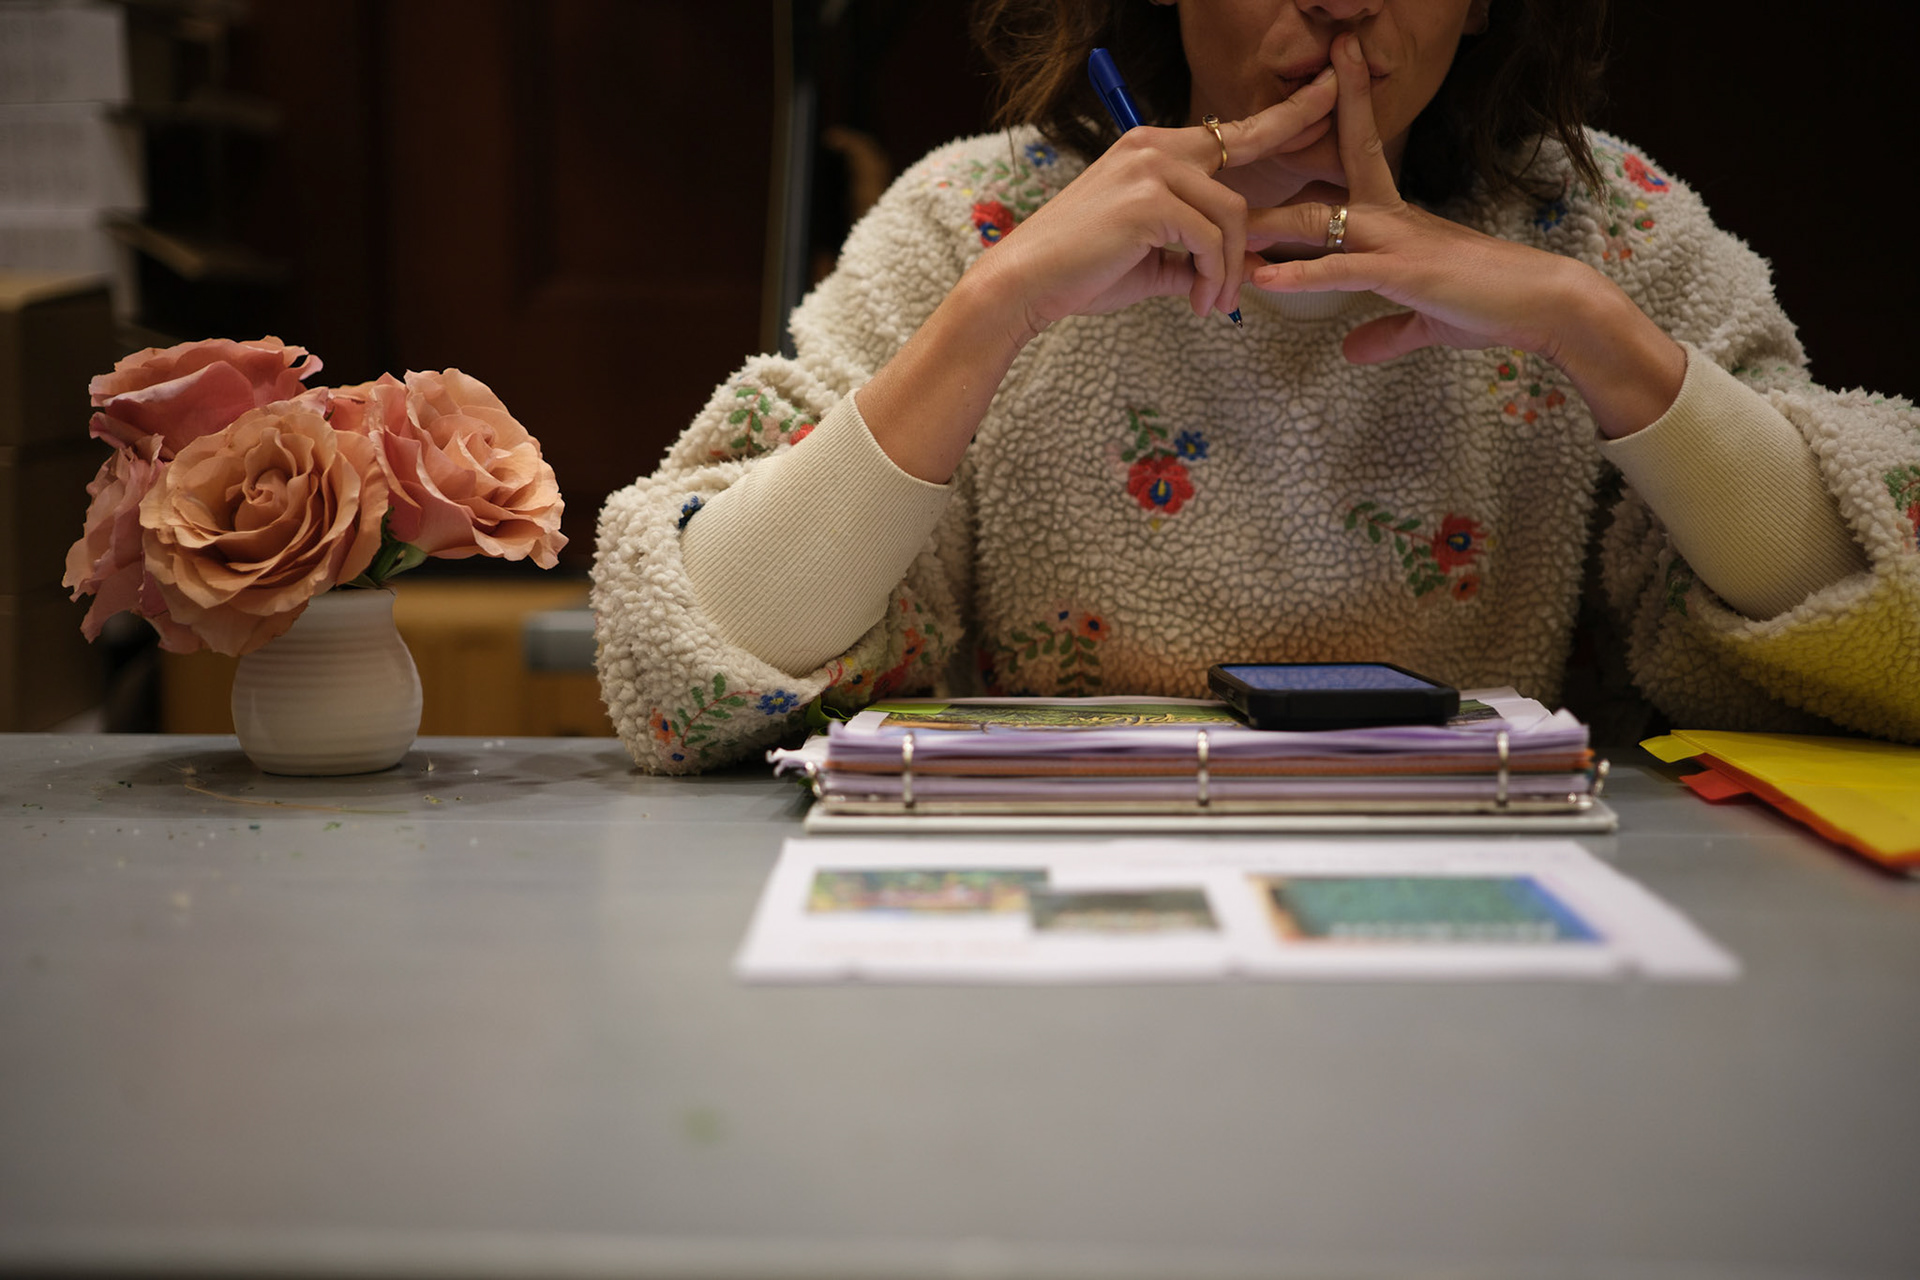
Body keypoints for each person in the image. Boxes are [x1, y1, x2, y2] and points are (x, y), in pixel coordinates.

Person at [592, 0, 1919, 773]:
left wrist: (1595, 334)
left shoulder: (1609, 234)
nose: (1340, 2)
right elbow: (690, 667)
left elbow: (1880, 633)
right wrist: (994, 312)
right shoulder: (972, 222)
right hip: (1060, 928)